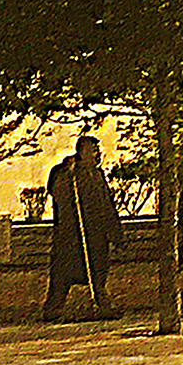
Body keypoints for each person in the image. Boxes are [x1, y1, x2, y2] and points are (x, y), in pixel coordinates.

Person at [42, 131, 121, 319]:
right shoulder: (67, 173)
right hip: (72, 232)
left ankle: (101, 302)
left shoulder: (97, 174)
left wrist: (115, 232)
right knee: (63, 273)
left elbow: (106, 203)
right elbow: (55, 190)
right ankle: (53, 308)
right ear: (82, 152)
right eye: (93, 151)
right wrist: (64, 170)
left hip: (95, 233)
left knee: (98, 271)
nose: (98, 155)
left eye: (97, 151)